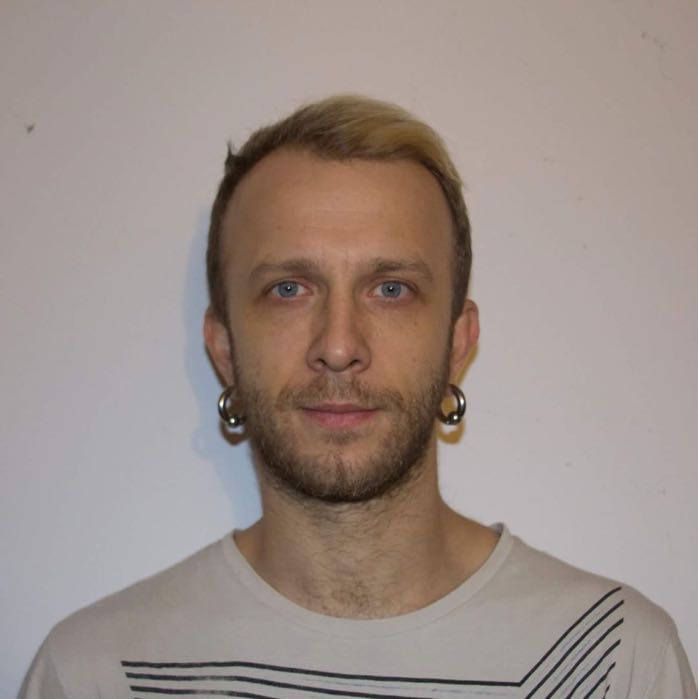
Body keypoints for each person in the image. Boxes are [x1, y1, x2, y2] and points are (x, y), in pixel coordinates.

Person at [22, 95, 696, 698]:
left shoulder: (615, 664)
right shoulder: (99, 674)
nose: (339, 345)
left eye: (391, 289)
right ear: (224, 349)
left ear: (457, 342)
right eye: (289, 289)